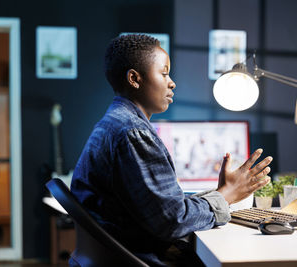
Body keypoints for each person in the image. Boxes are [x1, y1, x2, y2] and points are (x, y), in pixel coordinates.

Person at [70, 34, 272, 266]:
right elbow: (172, 221)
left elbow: (166, 209)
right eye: (164, 73)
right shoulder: (133, 133)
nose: (172, 82)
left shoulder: (114, 123)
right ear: (134, 78)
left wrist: (222, 192)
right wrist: (226, 196)